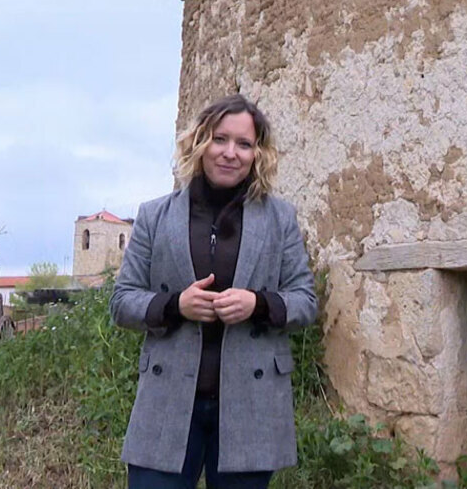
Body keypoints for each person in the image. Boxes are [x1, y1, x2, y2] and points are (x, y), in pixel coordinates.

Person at [110, 94, 318, 489]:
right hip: (168, 404)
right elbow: (122, 302)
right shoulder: (155, 216)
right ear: (200, 142)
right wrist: (175, 305)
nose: (230, 153)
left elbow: (305, 301)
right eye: (220, 139)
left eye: (244, 144)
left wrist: (258, 303)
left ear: (258, 153)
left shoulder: (280, 218)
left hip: (251, 406)